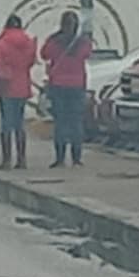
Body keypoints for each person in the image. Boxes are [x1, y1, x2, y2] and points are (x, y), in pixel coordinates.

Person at [40, 10, 93, 168]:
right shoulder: (82, 42)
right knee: (76, 122)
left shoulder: (54, 40)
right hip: (77, 86)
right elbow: (87, 53)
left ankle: (60, 158)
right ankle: (76, 159)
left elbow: (44, 54)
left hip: (58, 85)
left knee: (60, 122)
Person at [0, 15, 36, 170]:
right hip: (22, 85)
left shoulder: (3, 41)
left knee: (6, 123)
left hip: (6, 86)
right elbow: (31, 61)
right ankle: (22, 160)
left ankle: (6, 160)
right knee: (19, 123)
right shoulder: (28, 42)